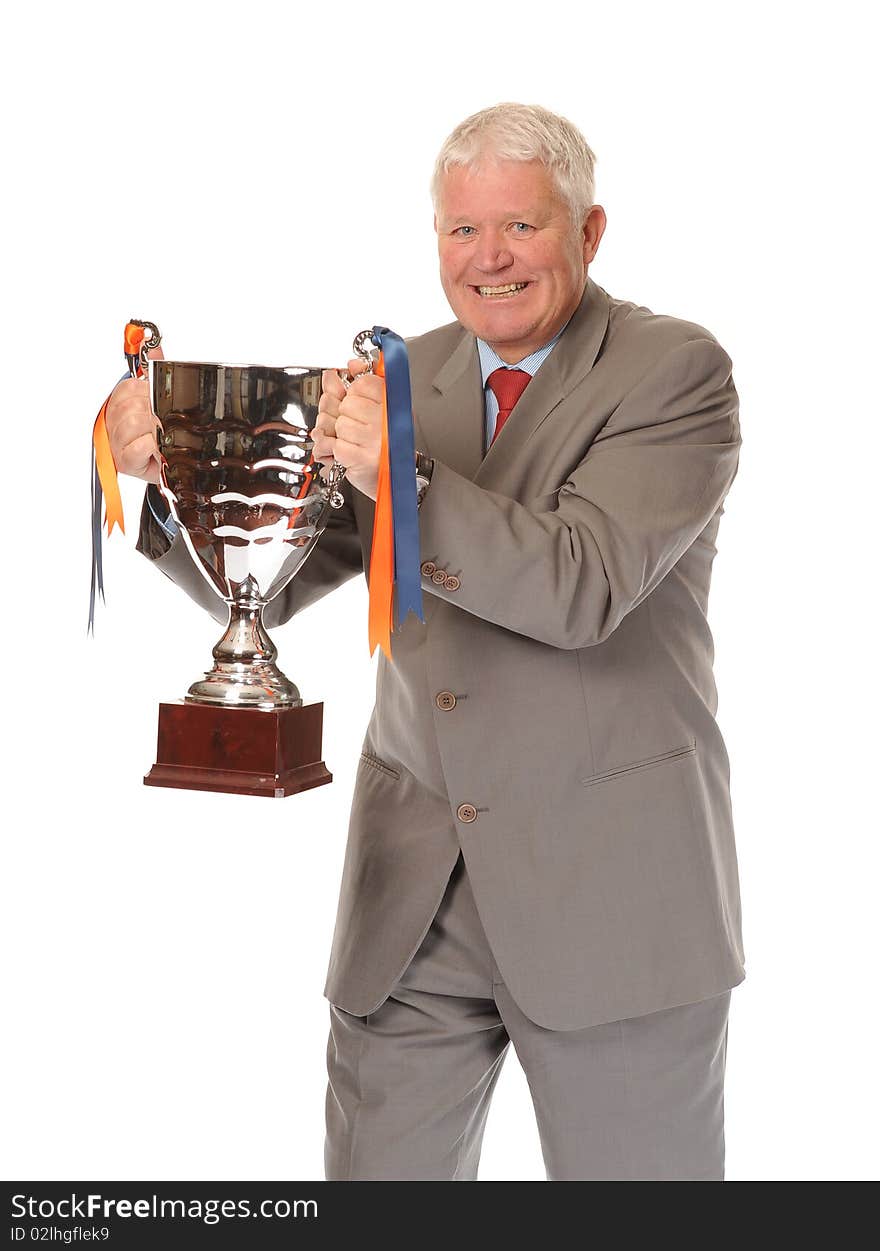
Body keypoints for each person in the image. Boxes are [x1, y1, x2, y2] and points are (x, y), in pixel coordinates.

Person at [105, 102, 745, 1181]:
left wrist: (400, 479)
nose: (487, 259)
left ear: (587, 234)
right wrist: (179, 485)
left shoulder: (674, 372)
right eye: (460, 231)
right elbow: (291, 578)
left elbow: (581, 584)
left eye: (521, 228)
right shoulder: (409, 379)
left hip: (609, 900)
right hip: (412, 902)